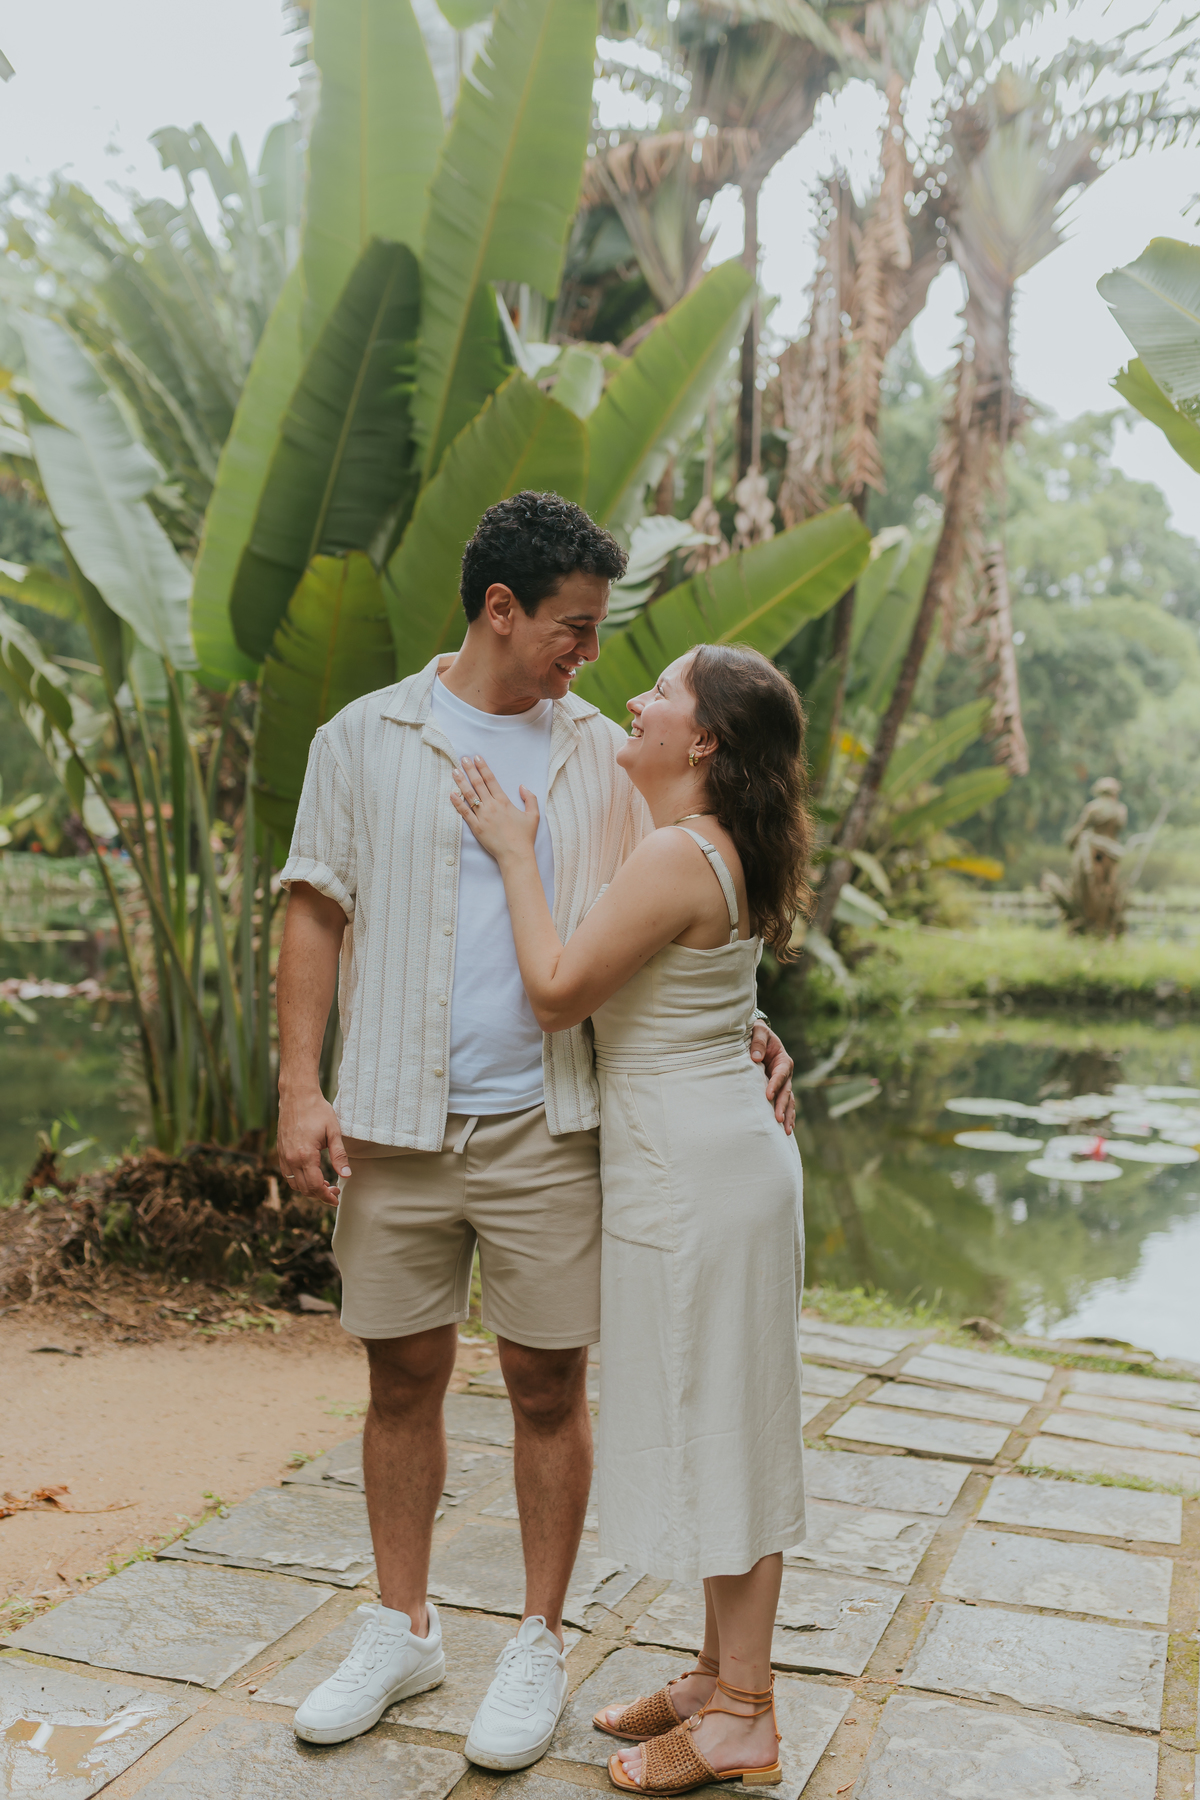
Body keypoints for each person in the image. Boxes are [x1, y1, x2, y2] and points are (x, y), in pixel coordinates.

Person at [273, 492, 797, 1771]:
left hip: (552, 1125)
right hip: (394, 1120)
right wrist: (299, 1087)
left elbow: (678, 899)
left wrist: (752, 1021)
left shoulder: (597, 760)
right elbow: (314, 907)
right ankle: (400, 1628)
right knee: (400, 1377)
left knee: (545, 1384)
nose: (589, 656)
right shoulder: (362, 737)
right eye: (572, 627)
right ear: (499, 610)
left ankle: (537, 1639)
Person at [451, 641, 809, 1794]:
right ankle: (714, 1675)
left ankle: (745, 1713)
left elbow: (560, 993)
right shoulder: (714, 839)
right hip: (700, 1163)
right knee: (713, 1411)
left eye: (662, 692)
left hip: (701, 1176)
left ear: (702, 741)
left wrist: (511, 851)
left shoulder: (673, 853)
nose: (638, 702)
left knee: (731, 1431)